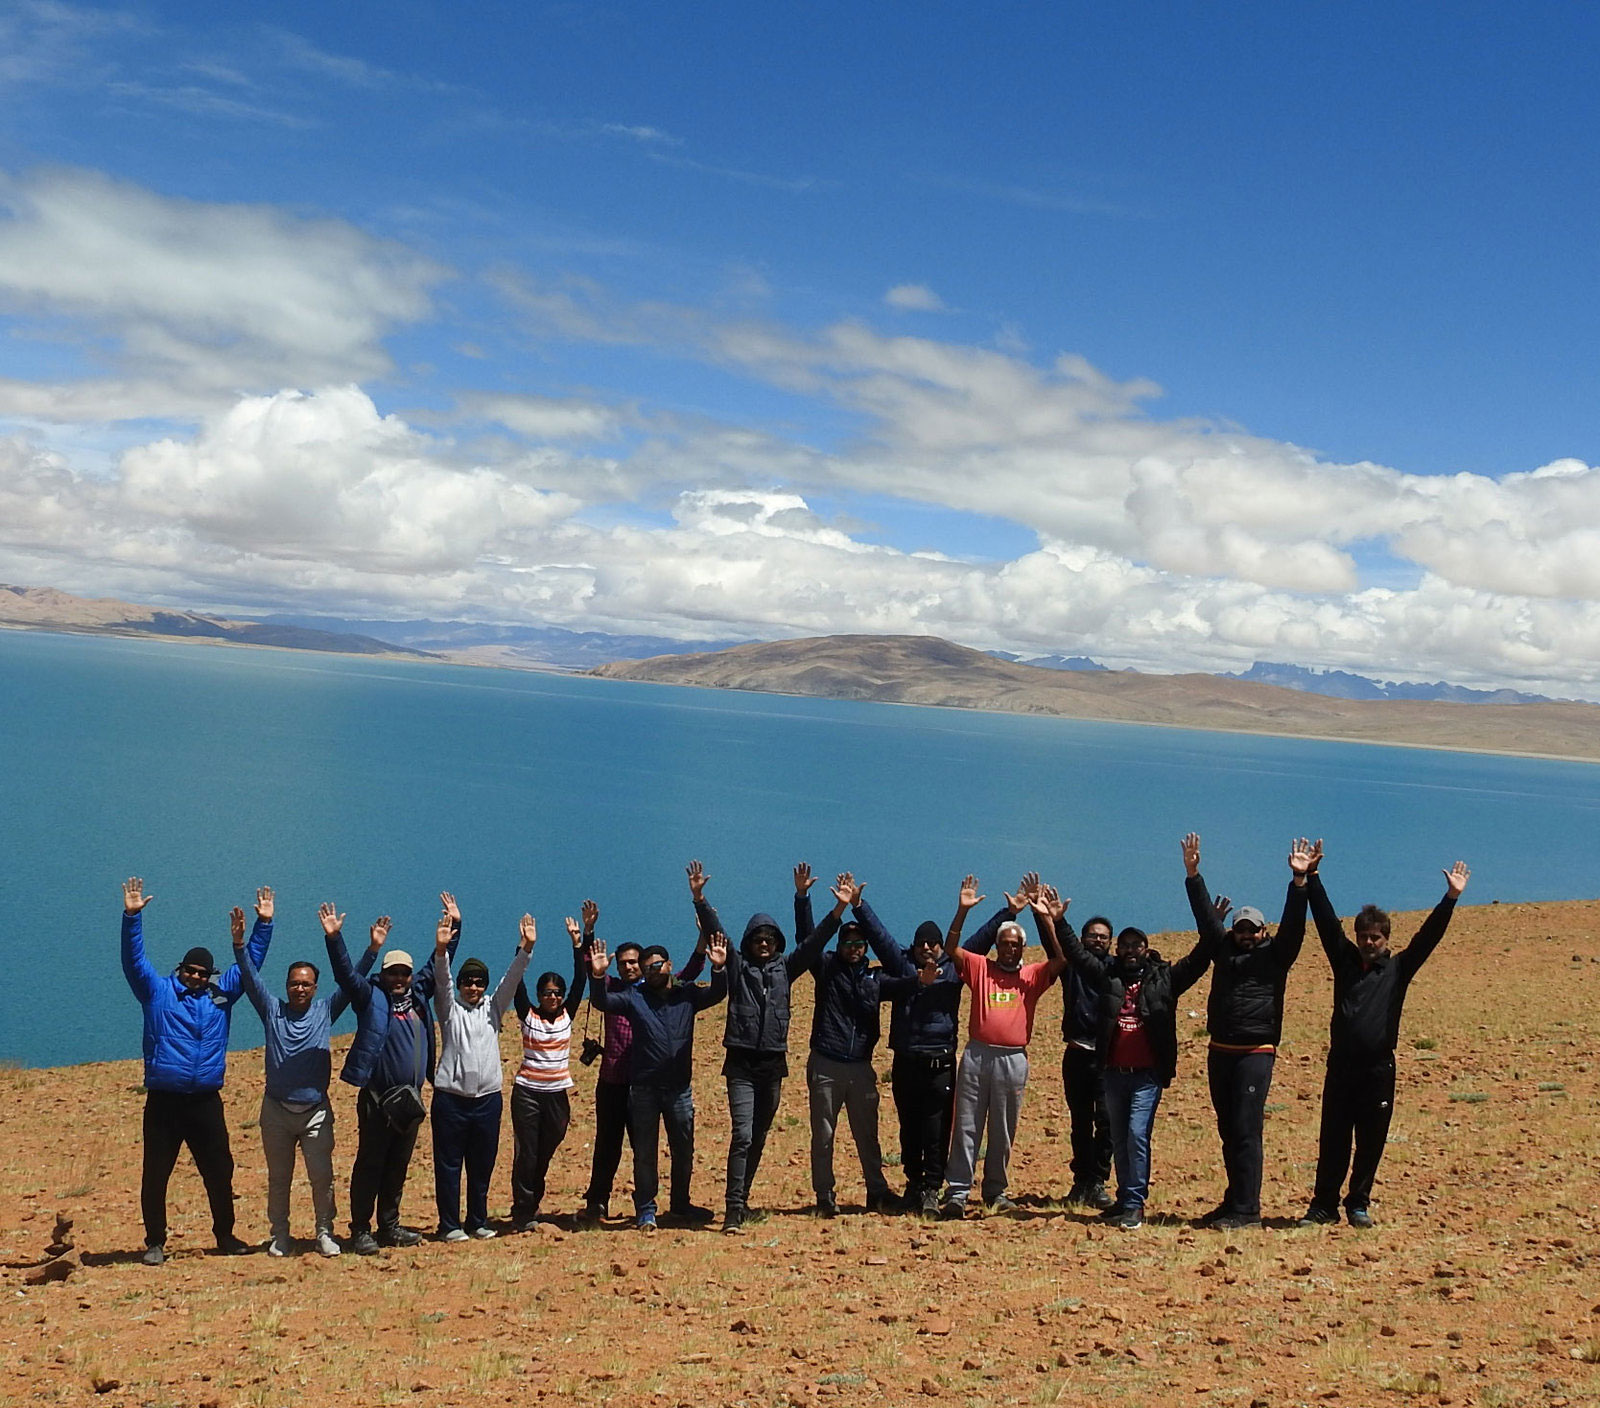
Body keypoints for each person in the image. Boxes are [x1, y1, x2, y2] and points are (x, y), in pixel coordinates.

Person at [1301, 851, 1470, 1228]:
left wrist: (1451, 899)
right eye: (1363, 936)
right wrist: (1311, 877)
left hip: (1378, 1069)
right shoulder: (1345, 962)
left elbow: (1428, 938)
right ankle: (1323, 1205)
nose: (1368, 942)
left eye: (1375, 937)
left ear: (1386, 939)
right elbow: (1327, 924)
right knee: (1333, 1138)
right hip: (1341, 1067)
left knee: (1371, 1140)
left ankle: (1358, 1203)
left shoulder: (1397, 970)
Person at [1041, 884, 1213, 1228]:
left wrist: (1209, 918)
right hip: (1114, 1073)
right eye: (1126, 945)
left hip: (1146, 1075)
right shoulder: (1109, 977)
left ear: (1146, 949)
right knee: (1119, 1136)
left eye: (1137, 945)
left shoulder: (1165, 979)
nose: (1131, 950)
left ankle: (1134, 1202)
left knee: (1135, 1134)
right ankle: (1123, 1198)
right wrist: (1059, 922)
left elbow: (1201, 956)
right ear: (1117, 950)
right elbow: (1076, 954)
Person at [121, 876, 270, 1265]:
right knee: (156, 1175)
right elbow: (134, 962)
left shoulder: (221, 996)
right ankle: (155, 1241)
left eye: (204, 973)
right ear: (180, 968)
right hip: (165, 1102)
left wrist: (263, 926)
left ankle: (225, 1235)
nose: (197, 978)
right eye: (191, 971)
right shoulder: (157, 992)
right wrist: (132, 918)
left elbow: (250, 966)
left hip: (206, 1101)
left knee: (220, 1171)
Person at [231, 887, 370, 1257]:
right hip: (275, 1111)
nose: (300, 988)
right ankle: (280, 1235)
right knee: (279, 1179)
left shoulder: (327, 1010)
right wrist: (240, 945)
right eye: (294, 983)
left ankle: (325, 1232)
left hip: (315, 1113)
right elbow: (249, 980)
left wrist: (366, 947)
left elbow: (353, 981)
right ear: (287, 985)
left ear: (315, 987)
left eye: (307, 983)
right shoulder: (271, 1010)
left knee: (322, 1178)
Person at [1183, 832, 1310, 1230]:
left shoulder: (1277, 955)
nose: (1246, 934)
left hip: (1255, 1052)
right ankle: (1234, 1200)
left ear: (1263, 931)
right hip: (1220, 1050)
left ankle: (1248, 1211)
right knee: (1227, 1130)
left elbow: (1294, 928)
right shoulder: (1223, 950)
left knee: (1246, 1131)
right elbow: (1207, 920)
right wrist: (1193, 875)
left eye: (1253, 929)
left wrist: (1299, 883)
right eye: (1240, 928)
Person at [323, 892, 459, 1255]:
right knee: (370, 1163)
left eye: (404, 972)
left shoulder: (418, 996)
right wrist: (335, 939)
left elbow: (440, 960)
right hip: (377, 1099)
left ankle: (389, 1225)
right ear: (383, 975)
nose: (398, 978)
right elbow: (346, 976)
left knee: (398, 1165)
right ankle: (360, 1230)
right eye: (392, 972)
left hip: (410, 1101)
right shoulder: (370, 997)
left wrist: (453, 928)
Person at [688, 859, 820, 1234]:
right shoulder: (738, 968)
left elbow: (813, 942)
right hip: (741, 1064)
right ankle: (732, 1209)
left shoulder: (786, 969)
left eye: (770, 939)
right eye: (758, 939)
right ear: (748, 943)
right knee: (743, 1134)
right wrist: (700, 899)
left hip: (773, 1066)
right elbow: (717, 933)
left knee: (759, 1136)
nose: (764, 944)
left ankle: (742, 1200)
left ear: (777, 944)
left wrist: (804, 898)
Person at [938, 875, 1066, 1218]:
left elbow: (1061, 960)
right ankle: (958, 1192)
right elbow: (951, 950)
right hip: (978, 1055)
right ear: (997, 946)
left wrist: (1043, 917)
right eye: (1005, 943)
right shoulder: (981, 968)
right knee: (966, 1124)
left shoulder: (1033, 976)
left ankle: (995, 1190)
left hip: (1013, 1060)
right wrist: (962, 910)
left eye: (1015, 944)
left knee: (1003, 1127)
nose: (1010, 948)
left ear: (1023, 949)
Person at [576, 901, 708, 1226]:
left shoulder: (660, 989)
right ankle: (598, 1203)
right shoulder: (616, 991)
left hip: (644, 1083)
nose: (631, 968)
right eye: (624, 964)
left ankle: (652, 1206)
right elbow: (590, 973)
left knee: (645, 1149)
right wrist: (587, 935)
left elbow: (692, 970)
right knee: (607, 1145)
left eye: (635, 962)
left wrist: (704, 938)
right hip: (613, 1080)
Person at [798, 871, 913, 1217]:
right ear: (839, 946)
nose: (853, 949)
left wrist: (860, 909)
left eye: (859, 944)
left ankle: (877, 1192)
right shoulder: (826, 968)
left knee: (868, 1135)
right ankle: (824, 1196)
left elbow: (906, 974)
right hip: (826, 1064)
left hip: (861, 1067)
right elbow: (807, 941)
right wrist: (805, 900)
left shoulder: (876, 978)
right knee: (823, 1136)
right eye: (847, 943)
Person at [432, 910, 533, 1241]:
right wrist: (442, 951)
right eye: (468, 982)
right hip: (450, 1100)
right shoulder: (449, 1010)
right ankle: (449, 1225)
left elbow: (511, 980)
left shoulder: (493, 1009)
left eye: (479, 982)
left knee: (481, 1166)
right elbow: (441, 982)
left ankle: (477, 1221)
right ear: (460, 985)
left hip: (487, 1102)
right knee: (448, 1166)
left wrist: (526, 949)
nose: (473, 987)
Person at [507, 914, 587, 1230]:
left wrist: (577, 942)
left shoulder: (568, 1015)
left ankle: (531, 1203)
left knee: (544, 1151)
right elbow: (516, 981)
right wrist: (524, 945)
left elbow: (581, 980)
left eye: (557, 993)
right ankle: (524, 1212)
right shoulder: (528, 1015)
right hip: (527, 1093)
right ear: (539, 996)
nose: (552, 997)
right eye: (546, 992)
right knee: (527, 1153)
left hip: (556, 1095)